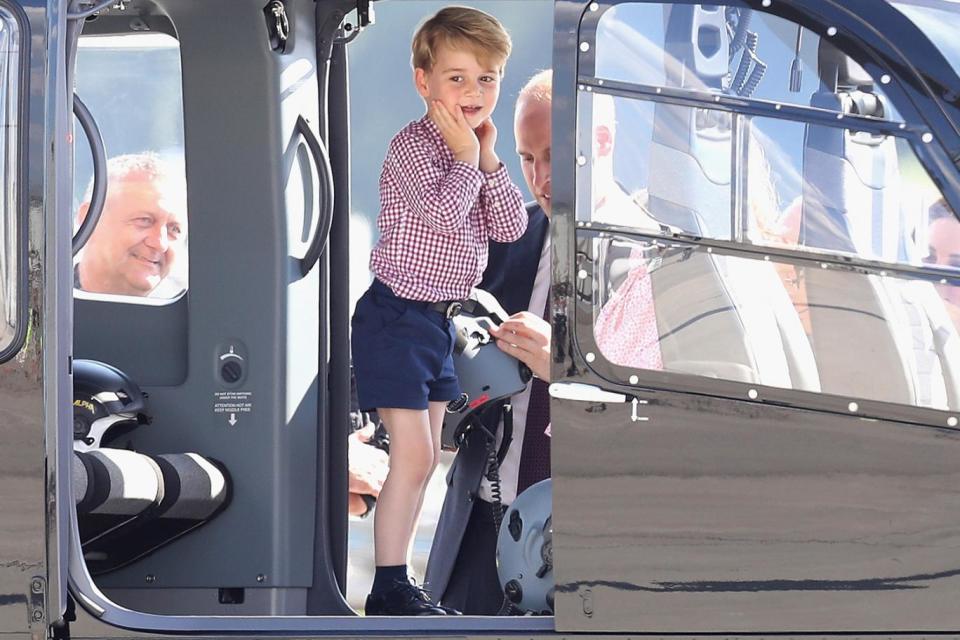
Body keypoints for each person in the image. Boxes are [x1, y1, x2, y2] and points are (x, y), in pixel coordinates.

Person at [350, 6, 527, 616]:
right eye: (457, 78)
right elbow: (446, 217)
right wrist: (459, 155)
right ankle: (389, 584)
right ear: (423, 81)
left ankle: (400, 578)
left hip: (436, 323)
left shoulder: (475, 150)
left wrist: (488, 157)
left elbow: (507, 225)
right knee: (415, 454)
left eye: (488, 78)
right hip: (394, 316)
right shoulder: (412, 149)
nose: (474, 93)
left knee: (427, 458)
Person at [424, 68, 553, 616]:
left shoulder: (647, 261)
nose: (539, 177)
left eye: (552, 155)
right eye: (526, 159)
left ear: (601, 144)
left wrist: (565, 367)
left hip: (576, 549)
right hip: (477, 529)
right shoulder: (501, 238)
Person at [74, 153, 187, 298]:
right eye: (145, 220)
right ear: (88, 219)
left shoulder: (189, 316)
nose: (160, 244)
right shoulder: (43, 305)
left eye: (174, 229)